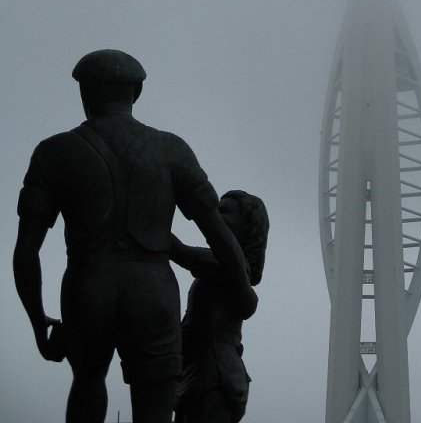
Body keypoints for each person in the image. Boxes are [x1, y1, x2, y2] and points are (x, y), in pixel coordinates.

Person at [13, 49, 255, 423]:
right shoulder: (171, 149)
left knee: (87, 382)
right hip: (153, 292)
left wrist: (38, 323)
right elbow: (220, 235)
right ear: (136, 93)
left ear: (84, 94)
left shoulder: (53, 152)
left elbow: (26, 253)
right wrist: (243, 291)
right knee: (155, 397)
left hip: (87, 287)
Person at [170, 190, 269, 423]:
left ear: (246, 225)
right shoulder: (222, 268)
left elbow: (182, 252)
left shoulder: (232, 266)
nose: (215, 216)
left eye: (224, 211)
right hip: (197, 370)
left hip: (215, 372)